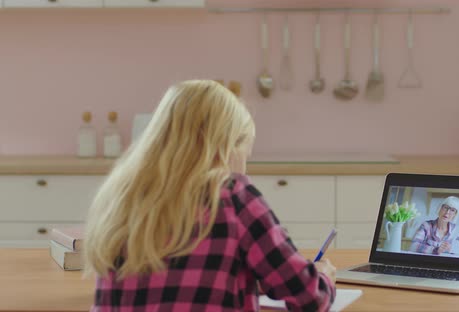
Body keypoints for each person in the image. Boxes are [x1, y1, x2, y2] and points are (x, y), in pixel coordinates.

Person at [84, 80, 336, 311]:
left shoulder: (120, 198)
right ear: (225, 147)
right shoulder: (234, 197)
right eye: (246, 154)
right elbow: (309, 298)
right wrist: (323, 278)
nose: (245, 166)